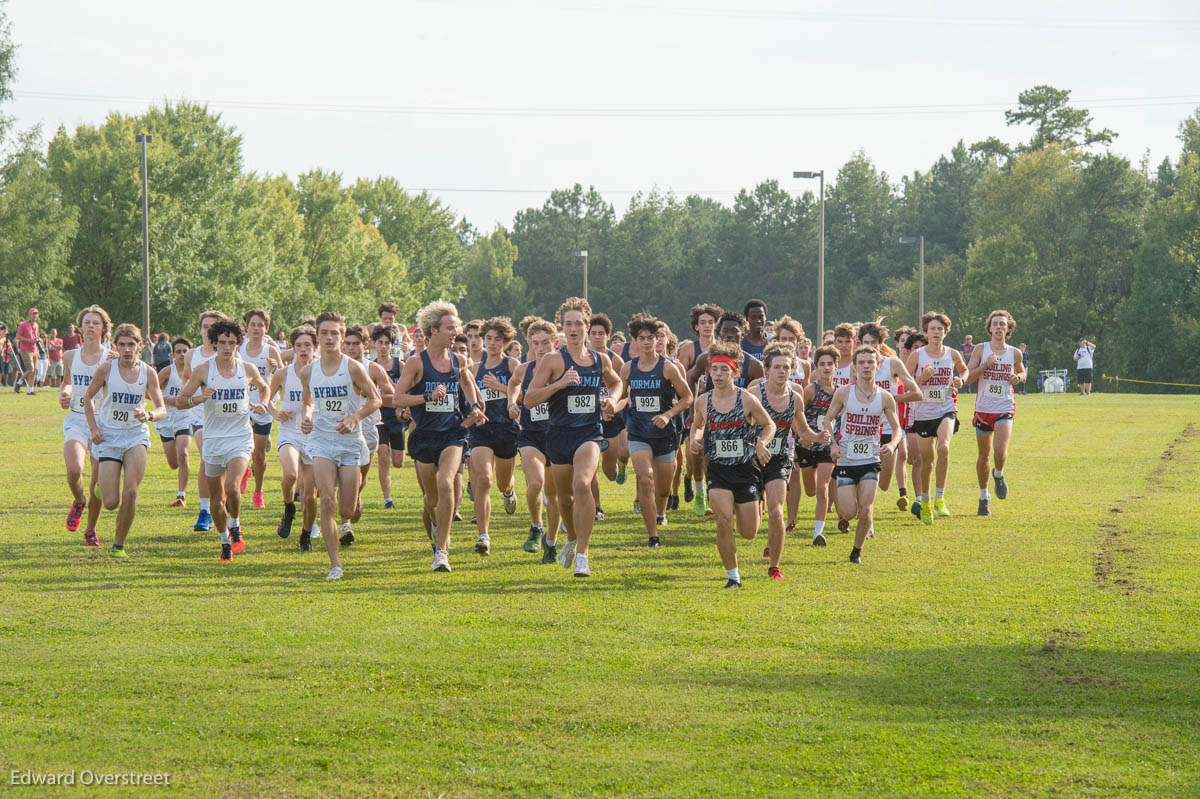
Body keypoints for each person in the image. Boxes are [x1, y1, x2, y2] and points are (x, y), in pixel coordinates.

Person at [524, 297, 623, 578]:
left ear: (587, 326)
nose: (573, 328)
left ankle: (583, 554)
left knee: (582, 485)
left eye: (578, 323)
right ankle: (569, 538)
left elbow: (616, 382)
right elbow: (529, 399)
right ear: (561, 328)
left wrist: (612, 401)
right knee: (564, 499)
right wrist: (560, 383)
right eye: (568, 324)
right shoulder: (553, 360)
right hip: (558, 435)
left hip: (589, 434)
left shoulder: (599, 359)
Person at [392, 301, 486, 573]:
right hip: (423, 436)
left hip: (452, 434)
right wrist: (425, 397)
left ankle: (442, 551)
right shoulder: (416, 362)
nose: (455, 332)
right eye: (450, 328)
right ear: (433, 331)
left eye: (456, 327)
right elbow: (398, 398)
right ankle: (437, 530)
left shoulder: (458, 360)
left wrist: (475, 405)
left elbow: (467, 381)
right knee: (431, 500)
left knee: (447, 483)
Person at [177, 317, 270, 563]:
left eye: (232, 342)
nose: (227, 347)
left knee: (232, 488)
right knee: (217, 501)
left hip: (240, 437)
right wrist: (199, 398)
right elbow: (180, 400)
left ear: (238, 343)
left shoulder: (247, 369)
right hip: (213, 439)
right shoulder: (204, 370)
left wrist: (263, 403)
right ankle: (224, 540)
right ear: (214, 343)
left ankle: (236, 524)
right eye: (222, 342)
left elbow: (264, 387)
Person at [298, 312, 382, 579]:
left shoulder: (353, 368)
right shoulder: (308, 371)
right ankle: (335, 565)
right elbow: (308, 401)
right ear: (317, 338)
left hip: (349, 442)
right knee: (326, 500)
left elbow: (376, 399)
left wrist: (354, 417)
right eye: (324, 333)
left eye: (335, 333)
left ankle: (355, 500)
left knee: (346, 510)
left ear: (342, 338)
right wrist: (308, 418)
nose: (329, 338)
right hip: (321, 440)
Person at [688, 339, 775, 589]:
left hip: (746, 471)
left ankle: (755, 504)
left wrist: (761, 443)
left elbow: (769, 424)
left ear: (735, 373)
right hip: (718, 471)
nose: (718, 374)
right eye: (714, 369)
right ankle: (733, 577)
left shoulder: (746, 400)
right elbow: (698, 425)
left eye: (724, 369)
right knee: (723, 520)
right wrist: (695, 439)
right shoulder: (703, 401)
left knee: (749, 532)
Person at [82, 324, 166, 557]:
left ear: (140, 346)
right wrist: (93, 428)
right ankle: (101, 487)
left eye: (131, 344)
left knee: (131, 492)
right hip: (109, 435)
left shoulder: (148, 372)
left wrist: (148, 415)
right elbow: (88, 398)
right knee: (110, 502)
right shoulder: (106, 369)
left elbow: (161, 408)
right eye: (122, 345)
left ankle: (118, 545)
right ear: (115, 346)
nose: (127, 349)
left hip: (135, 435)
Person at [823, 346, 902, 564]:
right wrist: (832, 444)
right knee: (848, 512)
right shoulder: (844, 393)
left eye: (871, 362)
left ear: (877, 366)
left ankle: (856, 551)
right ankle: (848, 517)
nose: (866, 366)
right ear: (855, 367)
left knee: (867, 508)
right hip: (846, 459)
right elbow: (828, 420)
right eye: (862, 363)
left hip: (870, 459)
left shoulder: (885, 398)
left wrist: (893, 444)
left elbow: (897, 428)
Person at [748, 342, 820, 579]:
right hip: (751, 458)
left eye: (786, 367)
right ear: (766, 370)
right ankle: (764, 532)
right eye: (777, 367)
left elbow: (802, 431)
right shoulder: (754, 393)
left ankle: (775, 566)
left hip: (780, 457)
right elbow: (740, 427)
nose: (782, 371)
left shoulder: (796, 396)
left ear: (792, 370)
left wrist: (819, 437)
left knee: (777, 509)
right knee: (753, 520)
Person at [620, 313, 693, 548]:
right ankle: (653, 536)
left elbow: (687, 398)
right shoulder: (628, 369)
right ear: (635, 341)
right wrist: (611, 406)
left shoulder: (668, 368)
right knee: (644, 478)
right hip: (638, 432)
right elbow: (621, 397)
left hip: (664, 434)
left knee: (662, 490)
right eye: (641, 338)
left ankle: (661, 513)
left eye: (650, 337)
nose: (647, 342)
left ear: (657, 340)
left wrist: (668, 414)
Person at [687, 310, 765, 516]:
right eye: (725, 331)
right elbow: (693, 378)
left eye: (735, 331)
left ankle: (755, 495)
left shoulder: (754, 365)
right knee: (703, 457)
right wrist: (693, 406)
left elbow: (761, 396)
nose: (730, 335)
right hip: (714, 416)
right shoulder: (706, 359)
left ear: (743, 333)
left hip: (744, 425)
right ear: (719, 333)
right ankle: (704, 493)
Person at [905, 312, 968, 525]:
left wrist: (961, 379)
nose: (936, 332)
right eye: (932, 329)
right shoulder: (918, 355)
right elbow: (906, 382)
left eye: (940, 329)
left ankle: (940, 498)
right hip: (923, 414)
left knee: (943, 448)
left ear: (945, 332)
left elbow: (965, 370)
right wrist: (922, 378)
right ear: (926, 332)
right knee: (927, 461)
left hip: (946, 409)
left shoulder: (952, 354)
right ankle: (925, 501)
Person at [59, 305, 114, 545]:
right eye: (87, 322)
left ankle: (91, 530)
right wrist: (64, 392)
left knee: (98, 484)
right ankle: (79, 501)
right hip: (77, 419)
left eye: (95, 322)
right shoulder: (70, 355)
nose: (90, 326)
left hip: (104, 423)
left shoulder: (111, 357)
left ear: (104, 328)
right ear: (81, 327)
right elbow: (67, 383)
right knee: (73, 471)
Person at [466, 317, 522, 555]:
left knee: (501, 483)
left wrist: (500, 386)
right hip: (481, 430)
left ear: (506, 341)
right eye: (488, 338)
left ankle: (509, 491)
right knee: (484, 480)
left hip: (506, 429)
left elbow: (522, 394)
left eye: (498, 339)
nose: (492, 343)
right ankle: (483, 535)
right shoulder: (474, 369)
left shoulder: (512, 365)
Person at [508, 317, 562, 562]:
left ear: (555, 343)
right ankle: (536, 524)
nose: (540, 348)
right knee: (535, 484)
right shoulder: (525, 368)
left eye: (545, 343)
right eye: (536, 343)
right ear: (530, 343)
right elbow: (514, 383)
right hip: (531, 435)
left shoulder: (563, 369)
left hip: (558, 435)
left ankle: (551, 541)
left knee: (554, 494)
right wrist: (511, 402)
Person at [855, 322, 922, 518]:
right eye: (865, 342)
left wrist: (891, 399)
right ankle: (864, 514)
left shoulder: (892, 364)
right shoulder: (857, 366)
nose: (870, 346)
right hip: (863, 431)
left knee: (883, 484)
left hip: (887, 430)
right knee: (866, 474)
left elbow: (916, 393)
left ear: (881, 343)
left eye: (874, 342)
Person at [965, 310, 1026, 516]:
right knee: (984, 456)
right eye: (995, 324)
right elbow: (967, 378)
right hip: (983, 410)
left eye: (1003, 324)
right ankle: (984, 497)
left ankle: (998, 474)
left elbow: (1022, 371)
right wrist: (985, 365)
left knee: (999, 451)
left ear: (1009, 329)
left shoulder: (1014, 352)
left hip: (1004, 408)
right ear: (989, 328)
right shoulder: (980, 350)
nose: (999, 327)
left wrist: (1017, 377)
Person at [266, 325, 318, 549]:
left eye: (307, 345)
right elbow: (265, 399)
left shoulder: (322, 372)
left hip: (315, 435)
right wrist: (276, 412)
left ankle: (306, 534)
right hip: (289, 431)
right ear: (292, 348)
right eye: (299, 345)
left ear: (315, 347)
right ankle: (288, 507)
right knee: (289, 473)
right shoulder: (282, 374)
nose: (303, 349)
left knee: (309, 496)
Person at [340, 323, 393, 535]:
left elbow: (390, 394)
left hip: (369, 427)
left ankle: (356, 495)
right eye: (347, 344)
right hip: (342, 427)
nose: (351, 348)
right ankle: (345, 524)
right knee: (345, 474)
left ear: (365, 345)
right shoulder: (335, 367)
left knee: (360, 475)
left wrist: (374, 396)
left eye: (356, 344)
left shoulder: (374, 369)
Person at [183, 310, 228, 532]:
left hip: (226, 418)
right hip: (200, 416)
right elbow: (185, 384)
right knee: (205, 456)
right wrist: (195, 396)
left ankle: (220, 500)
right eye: (205, 326)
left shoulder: (229, 352)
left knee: (221, 464)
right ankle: (204, 510)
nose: (208, 330)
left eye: (213, 326)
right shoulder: (192, 355)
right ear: (200, 329)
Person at [678, 303, 721, 516]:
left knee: (708, 456)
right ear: (696, 326)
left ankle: (705, 496)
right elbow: (680, 377)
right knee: (693, 454)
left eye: (711, 322)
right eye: (702, 322)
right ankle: (692, 483)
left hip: (715, 406)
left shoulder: (722, 348)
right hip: (694, 406)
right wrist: (696, 380)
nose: (707, 326)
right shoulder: (689, 349)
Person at [240, 309, 284, 510]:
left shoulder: (270, 350)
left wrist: (275, 368)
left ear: (266, 328)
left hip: (264, 405)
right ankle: (243, 469)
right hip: (243, 404)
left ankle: (258, 491)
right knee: (245, 444)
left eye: (260, 325)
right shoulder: (238, 349)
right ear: (246, 327)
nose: (256, 328)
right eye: (252, 324)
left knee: (259, 455)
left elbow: (283, 377)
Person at [795, 346, 838, 545]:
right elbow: (796, 414)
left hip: (827, 447)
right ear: (816, 367)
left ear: (836, 366)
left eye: (830, 364)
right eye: (822, 364)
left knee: (822, 488)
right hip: (807, 444)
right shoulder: (811, 390)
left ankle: (818, 532)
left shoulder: (840, 392)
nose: (827, 368)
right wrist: (801, 436)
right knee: (810, 491)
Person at [588, 312, 628, 519]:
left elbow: (625, 394)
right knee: (591, 466)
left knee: (609, 472)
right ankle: (596, 507)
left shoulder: (616, 361)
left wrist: (613, 407)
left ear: (607, 336)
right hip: (588, 419)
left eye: (601, 334)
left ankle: (620, 466)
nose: (596, 337)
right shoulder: (582, 358)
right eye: (593, 333)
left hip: (612, 418)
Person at [372, 325, 409, 510]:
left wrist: (402, 406)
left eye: (387, 343)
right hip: (378, 417)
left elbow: (405, 391)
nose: (384, 346)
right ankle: (388, 499)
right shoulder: (369, 367)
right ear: (374, 344)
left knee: (398, 462)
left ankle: (389, 497)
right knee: (382, 454)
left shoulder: (399, 366)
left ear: (392, 345)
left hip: (397, 417)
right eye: (380, 342)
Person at [156, 337, 194, 507]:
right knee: (173, 463)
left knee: (184, 453)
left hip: (185, 416)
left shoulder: (195, 373)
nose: (181, 354)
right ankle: (181, 470)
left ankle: (181, 496)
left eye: (185, 351)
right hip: (166, 418)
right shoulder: (166, 372)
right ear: (172, 354)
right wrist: (166, 400)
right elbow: (151, 391)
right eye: (178, 351)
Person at [16, 307, 40, 394]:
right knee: (31, 369)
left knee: (34, 371)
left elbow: (35, 337)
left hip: (34, 350)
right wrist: (30, 341)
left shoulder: (36, 325)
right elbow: (18, 337)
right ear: (29, 315)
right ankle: (19, 382)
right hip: (25, 350)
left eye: (36, 314)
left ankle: (30, 391)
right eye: (33, 314)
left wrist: (38, 340)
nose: (35, 315)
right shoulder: (23, 325)